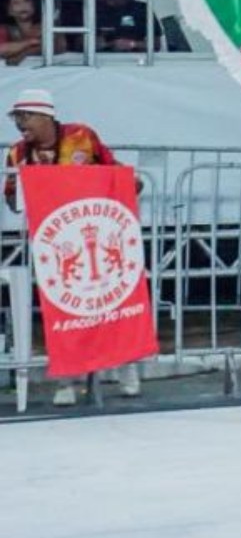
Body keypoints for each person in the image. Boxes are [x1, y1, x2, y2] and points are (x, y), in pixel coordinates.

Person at [5, 89, 142, 405]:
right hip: (54, 244)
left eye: (25, 117)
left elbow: (113, 168)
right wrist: (22, 191)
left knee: (112, 305)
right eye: (17, 118)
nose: (20, 124)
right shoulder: (17, 153)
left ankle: (127, 370)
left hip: (99, 235)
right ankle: (66, 381)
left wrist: (130, 183)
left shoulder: (82, 136)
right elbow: (11, 199)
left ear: (45, 115)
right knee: (62, 313)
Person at [2, 0, 60, 65]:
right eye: (16, 3)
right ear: (9, 10)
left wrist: (23, 54)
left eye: (26, 1)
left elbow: (59, 46)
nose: (23, 6)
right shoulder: (5, 29)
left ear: (33, 5)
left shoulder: (47, 27)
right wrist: (29, 42)